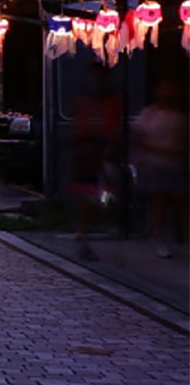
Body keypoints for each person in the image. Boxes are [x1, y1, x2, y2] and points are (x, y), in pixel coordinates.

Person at [133, 79, 189, 259]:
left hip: (176, 164)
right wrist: (162, 150)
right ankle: (159, 240)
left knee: (183, 205)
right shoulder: (149, 114)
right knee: (159, 203)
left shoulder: (179, 115)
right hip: (155, 164)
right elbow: (140, 139)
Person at [70, 65, 120, 261]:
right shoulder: (84, 100)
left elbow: (113, 127)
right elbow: (79, 126)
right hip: (85, 154)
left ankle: (108, 224)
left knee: (107, 196)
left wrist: (108, 148)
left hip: (103, 153)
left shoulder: (110, 100)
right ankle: (84, 239)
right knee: (84, 200)